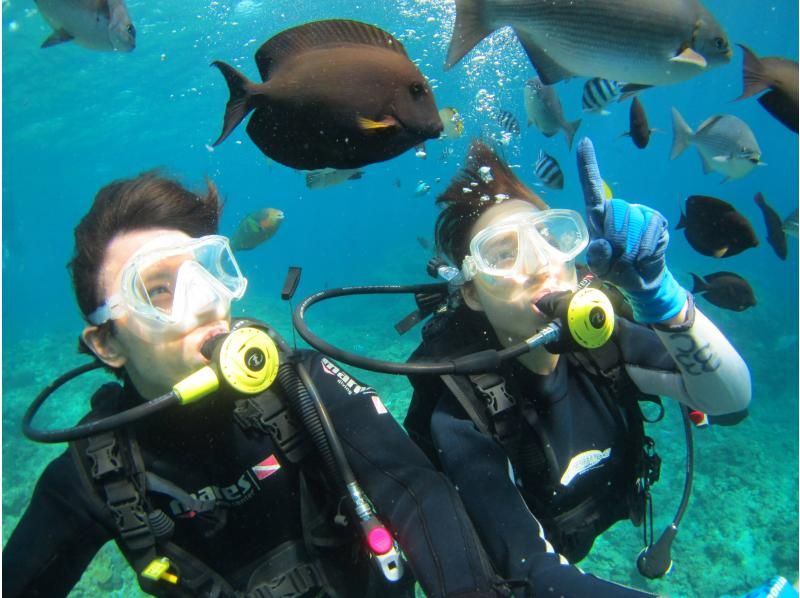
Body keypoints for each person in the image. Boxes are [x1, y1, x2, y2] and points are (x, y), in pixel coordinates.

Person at [2, 171, 503, 597]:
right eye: (157, 290)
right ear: (106, 343)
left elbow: (418, 489)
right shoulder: (94, 473)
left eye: (206, 272)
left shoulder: (301, 385)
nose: (205, 302)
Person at [404, 138, 752, 597]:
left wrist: (661, 297)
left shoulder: (607, 345)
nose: (539, 264)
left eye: (551, 237)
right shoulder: (464, 411)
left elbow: (729, 399)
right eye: (503, 254)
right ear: (471, 292)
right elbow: (531, 570)